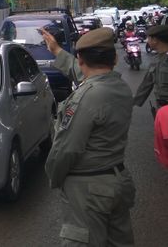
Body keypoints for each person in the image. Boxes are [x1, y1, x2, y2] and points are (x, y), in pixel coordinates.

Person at [40, 27, 135, 246]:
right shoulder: (119, 86)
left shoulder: (86, 98)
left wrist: (54, 177)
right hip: (117, 180)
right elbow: (86, 74)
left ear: (81, 59)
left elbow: (66, 149)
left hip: (90, 190)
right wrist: (56, 50)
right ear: (115, 58)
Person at [133, 24, 168, 116]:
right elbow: (146, 84)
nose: (147, 41)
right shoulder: (156, 59)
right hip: (161, 109)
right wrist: (132, 103)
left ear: (155, 40)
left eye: (149, 38)